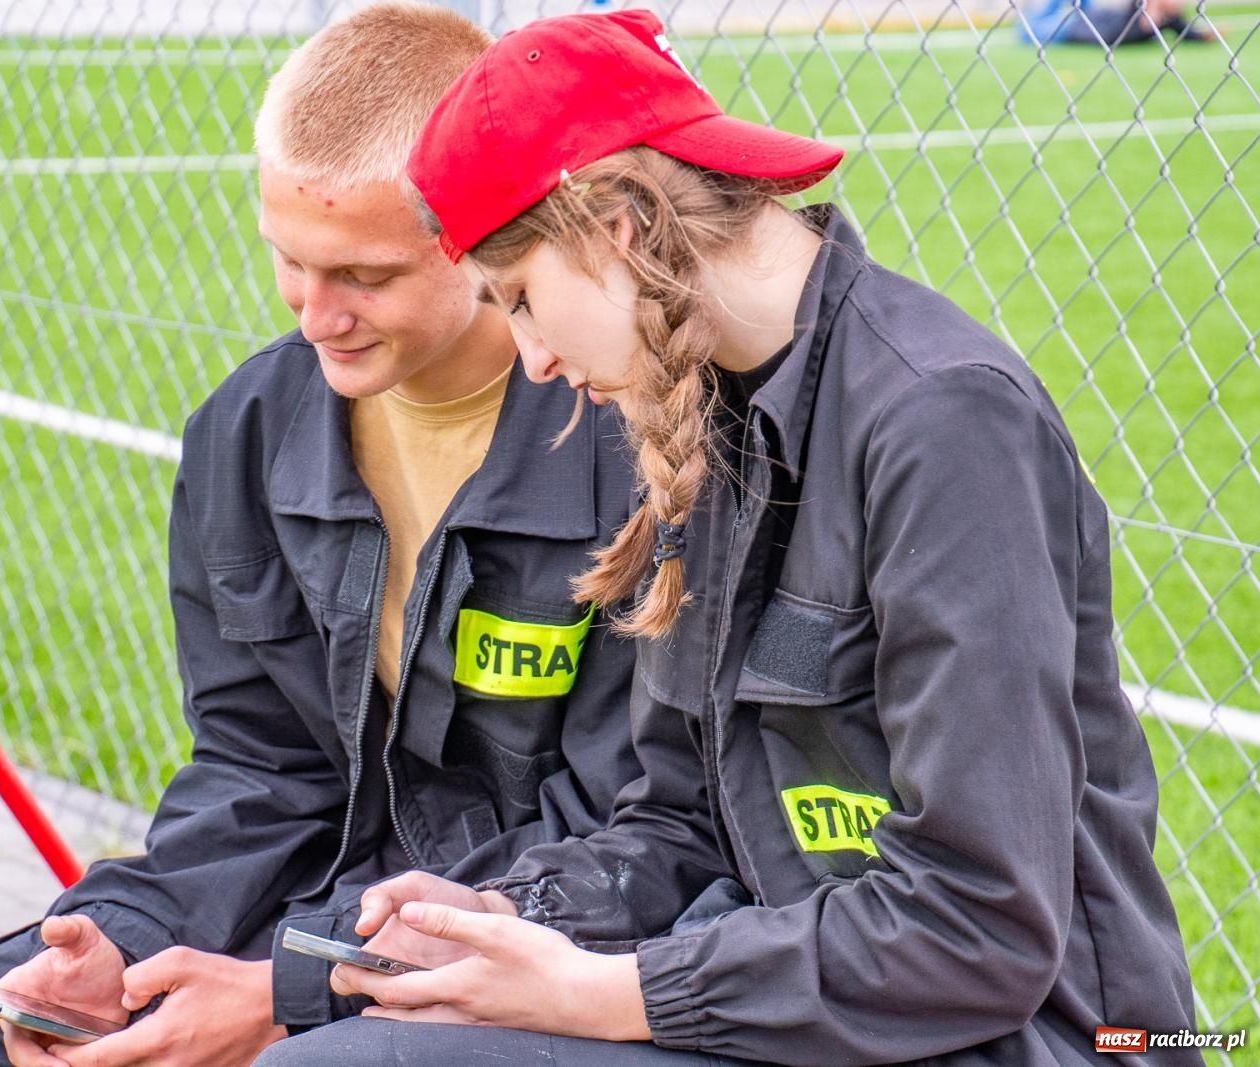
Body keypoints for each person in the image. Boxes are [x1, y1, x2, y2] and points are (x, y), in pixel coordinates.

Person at [254, 9, 1199, 1065]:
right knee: (361, 1024)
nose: (532, 361)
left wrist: (608, 993)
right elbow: (680, 824)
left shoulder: (943, 421)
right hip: (792, 1007)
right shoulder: (705, 420)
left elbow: (978, 930)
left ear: (610, 225)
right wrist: (507, 913)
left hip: (1042, 1037)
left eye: (520, 299)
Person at [0, 5, 647, 1066]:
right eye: (289, 259)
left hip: (532, 936)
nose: (312, 314)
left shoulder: (635, 448)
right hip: (310, 904)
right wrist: (120, 941)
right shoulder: (250, 429)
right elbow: (259, 766)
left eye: (364, 276)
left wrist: (296, 991)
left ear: (485, 238)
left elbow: (633, 834)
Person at [1018, 0, 1215, 47]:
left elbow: (1186, 32)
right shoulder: (1140, 9)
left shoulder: (1168, 20)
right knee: (1027, 33)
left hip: (1088, 26)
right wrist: (1151, 7)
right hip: (1082, 26)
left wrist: (1206, 35)